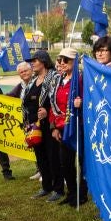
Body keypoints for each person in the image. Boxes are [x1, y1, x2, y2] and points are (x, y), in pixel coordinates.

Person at [49, 47, 87, 206]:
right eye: (59, 60)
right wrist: (54, 127)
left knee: (82, 162)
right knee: (65, 163)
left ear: (75, 61)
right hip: (62, 128)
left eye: (66, 60)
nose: (62, 63)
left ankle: (81, 195)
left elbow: (91, 102)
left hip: (78, 126)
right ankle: (71, 193)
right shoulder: (58, 80)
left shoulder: (81, 79)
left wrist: (82, 103)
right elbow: (53, 104)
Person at [28, 51, 64, 200]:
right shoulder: (33, 80)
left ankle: (58, 189)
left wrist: (48, 110)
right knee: (40, 156)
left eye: (34, 60)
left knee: (53, 156)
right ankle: (46, 187)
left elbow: (59, 99)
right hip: (34, 125)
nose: (32, 63)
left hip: (49, 124)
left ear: (43, 61)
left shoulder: (54, 77)